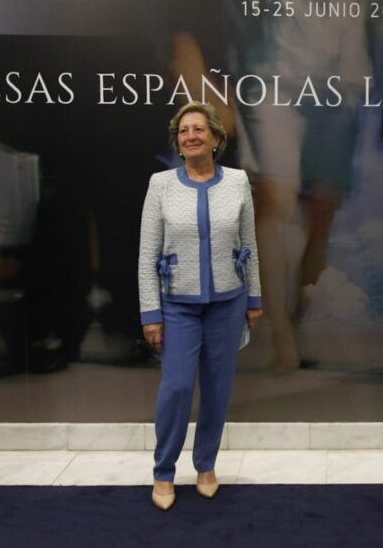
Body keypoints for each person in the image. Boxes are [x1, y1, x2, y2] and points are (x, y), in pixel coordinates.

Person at [138, 102, 262, 510]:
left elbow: (249, 244)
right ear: (177, 141)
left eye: (199, 129)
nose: (190, 136)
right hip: (177, 305)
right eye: (183, 131)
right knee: (175, 388)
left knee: (217, 389)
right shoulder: (161, 184)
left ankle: (206, 465)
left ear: (215, 138)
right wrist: (151, 312)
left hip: (229, 303)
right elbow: (146, 254)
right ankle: (163, 471)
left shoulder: (238, 181)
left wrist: (255, 298)